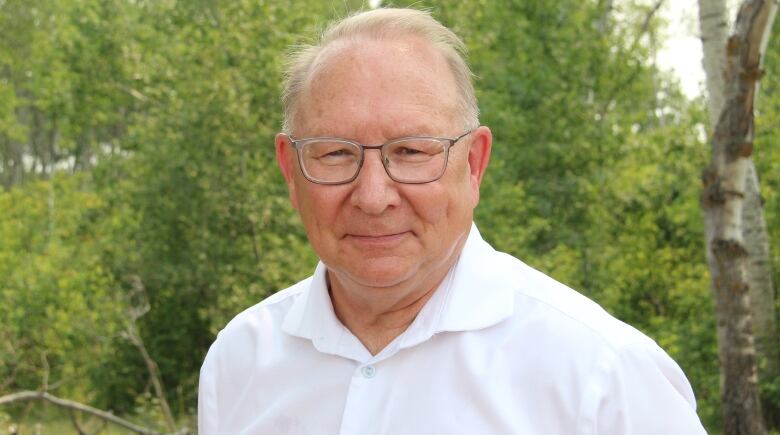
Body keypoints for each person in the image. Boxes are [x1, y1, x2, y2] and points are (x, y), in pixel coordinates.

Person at [198, 7, 707, 434]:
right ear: (291, 170)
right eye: (335, 154)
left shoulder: (602, 375)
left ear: (474, 163)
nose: (374, 197)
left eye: (411, 151)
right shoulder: (238, 363)